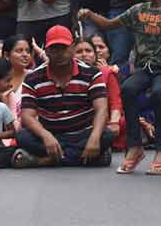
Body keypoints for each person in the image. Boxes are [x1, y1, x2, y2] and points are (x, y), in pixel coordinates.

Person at [78, 0, 161, 175]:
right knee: (128, 89)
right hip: (144, 67)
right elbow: (108, 24)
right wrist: (91, 15)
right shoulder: (137, 10)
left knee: (159, 93)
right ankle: (135, 147)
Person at [12, 26, 114, 168]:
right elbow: (27, 116)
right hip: (51, 135)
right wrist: (46, 136)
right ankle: (89, 158)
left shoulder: (92, 74)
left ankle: (45, 161)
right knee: (22, 136)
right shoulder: (33, 78)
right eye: (54, 49)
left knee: (107, 135)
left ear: (72, 48)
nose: (59, 54)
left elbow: (102, 109)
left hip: (83, 134)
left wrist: (94, 138)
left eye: (63, 48)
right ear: (46, 51)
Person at [73, 38, 124, 150]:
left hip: (103, 121)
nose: (84, 55)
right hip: (75, 124)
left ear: (95, 55)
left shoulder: (106, 73)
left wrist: (114, 122)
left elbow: (115, 102)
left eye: (88, 51)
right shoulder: (66, 74)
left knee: (121, 124)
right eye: (79, 52)